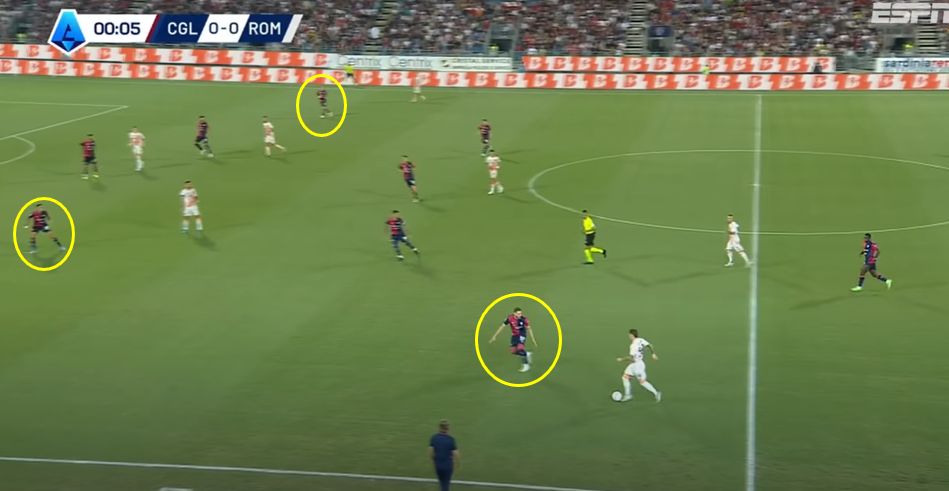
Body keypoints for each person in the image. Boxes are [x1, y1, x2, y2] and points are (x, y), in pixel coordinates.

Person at [616, 329, 661, 402]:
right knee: (625, 377)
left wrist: (621, 359)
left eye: (629, 335)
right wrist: (653, 354)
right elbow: (649, 345)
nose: (629, 336)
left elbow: (632, 359)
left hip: (637, 366)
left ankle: (656, 393)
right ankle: (628, 395)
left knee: (642, 382)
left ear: (632, 335)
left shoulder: (633, 346)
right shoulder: (640, 340)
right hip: (637, 363)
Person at [430, 419, 459, 491]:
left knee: (442, 482)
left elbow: (431, 451)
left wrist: (434, 460)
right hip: (447, 465)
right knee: (445, 485)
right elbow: (456, 454)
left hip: (438, 464)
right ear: (448, 428)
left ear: (439, 427)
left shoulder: (434, 438)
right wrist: (458, 464)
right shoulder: (450, 439)